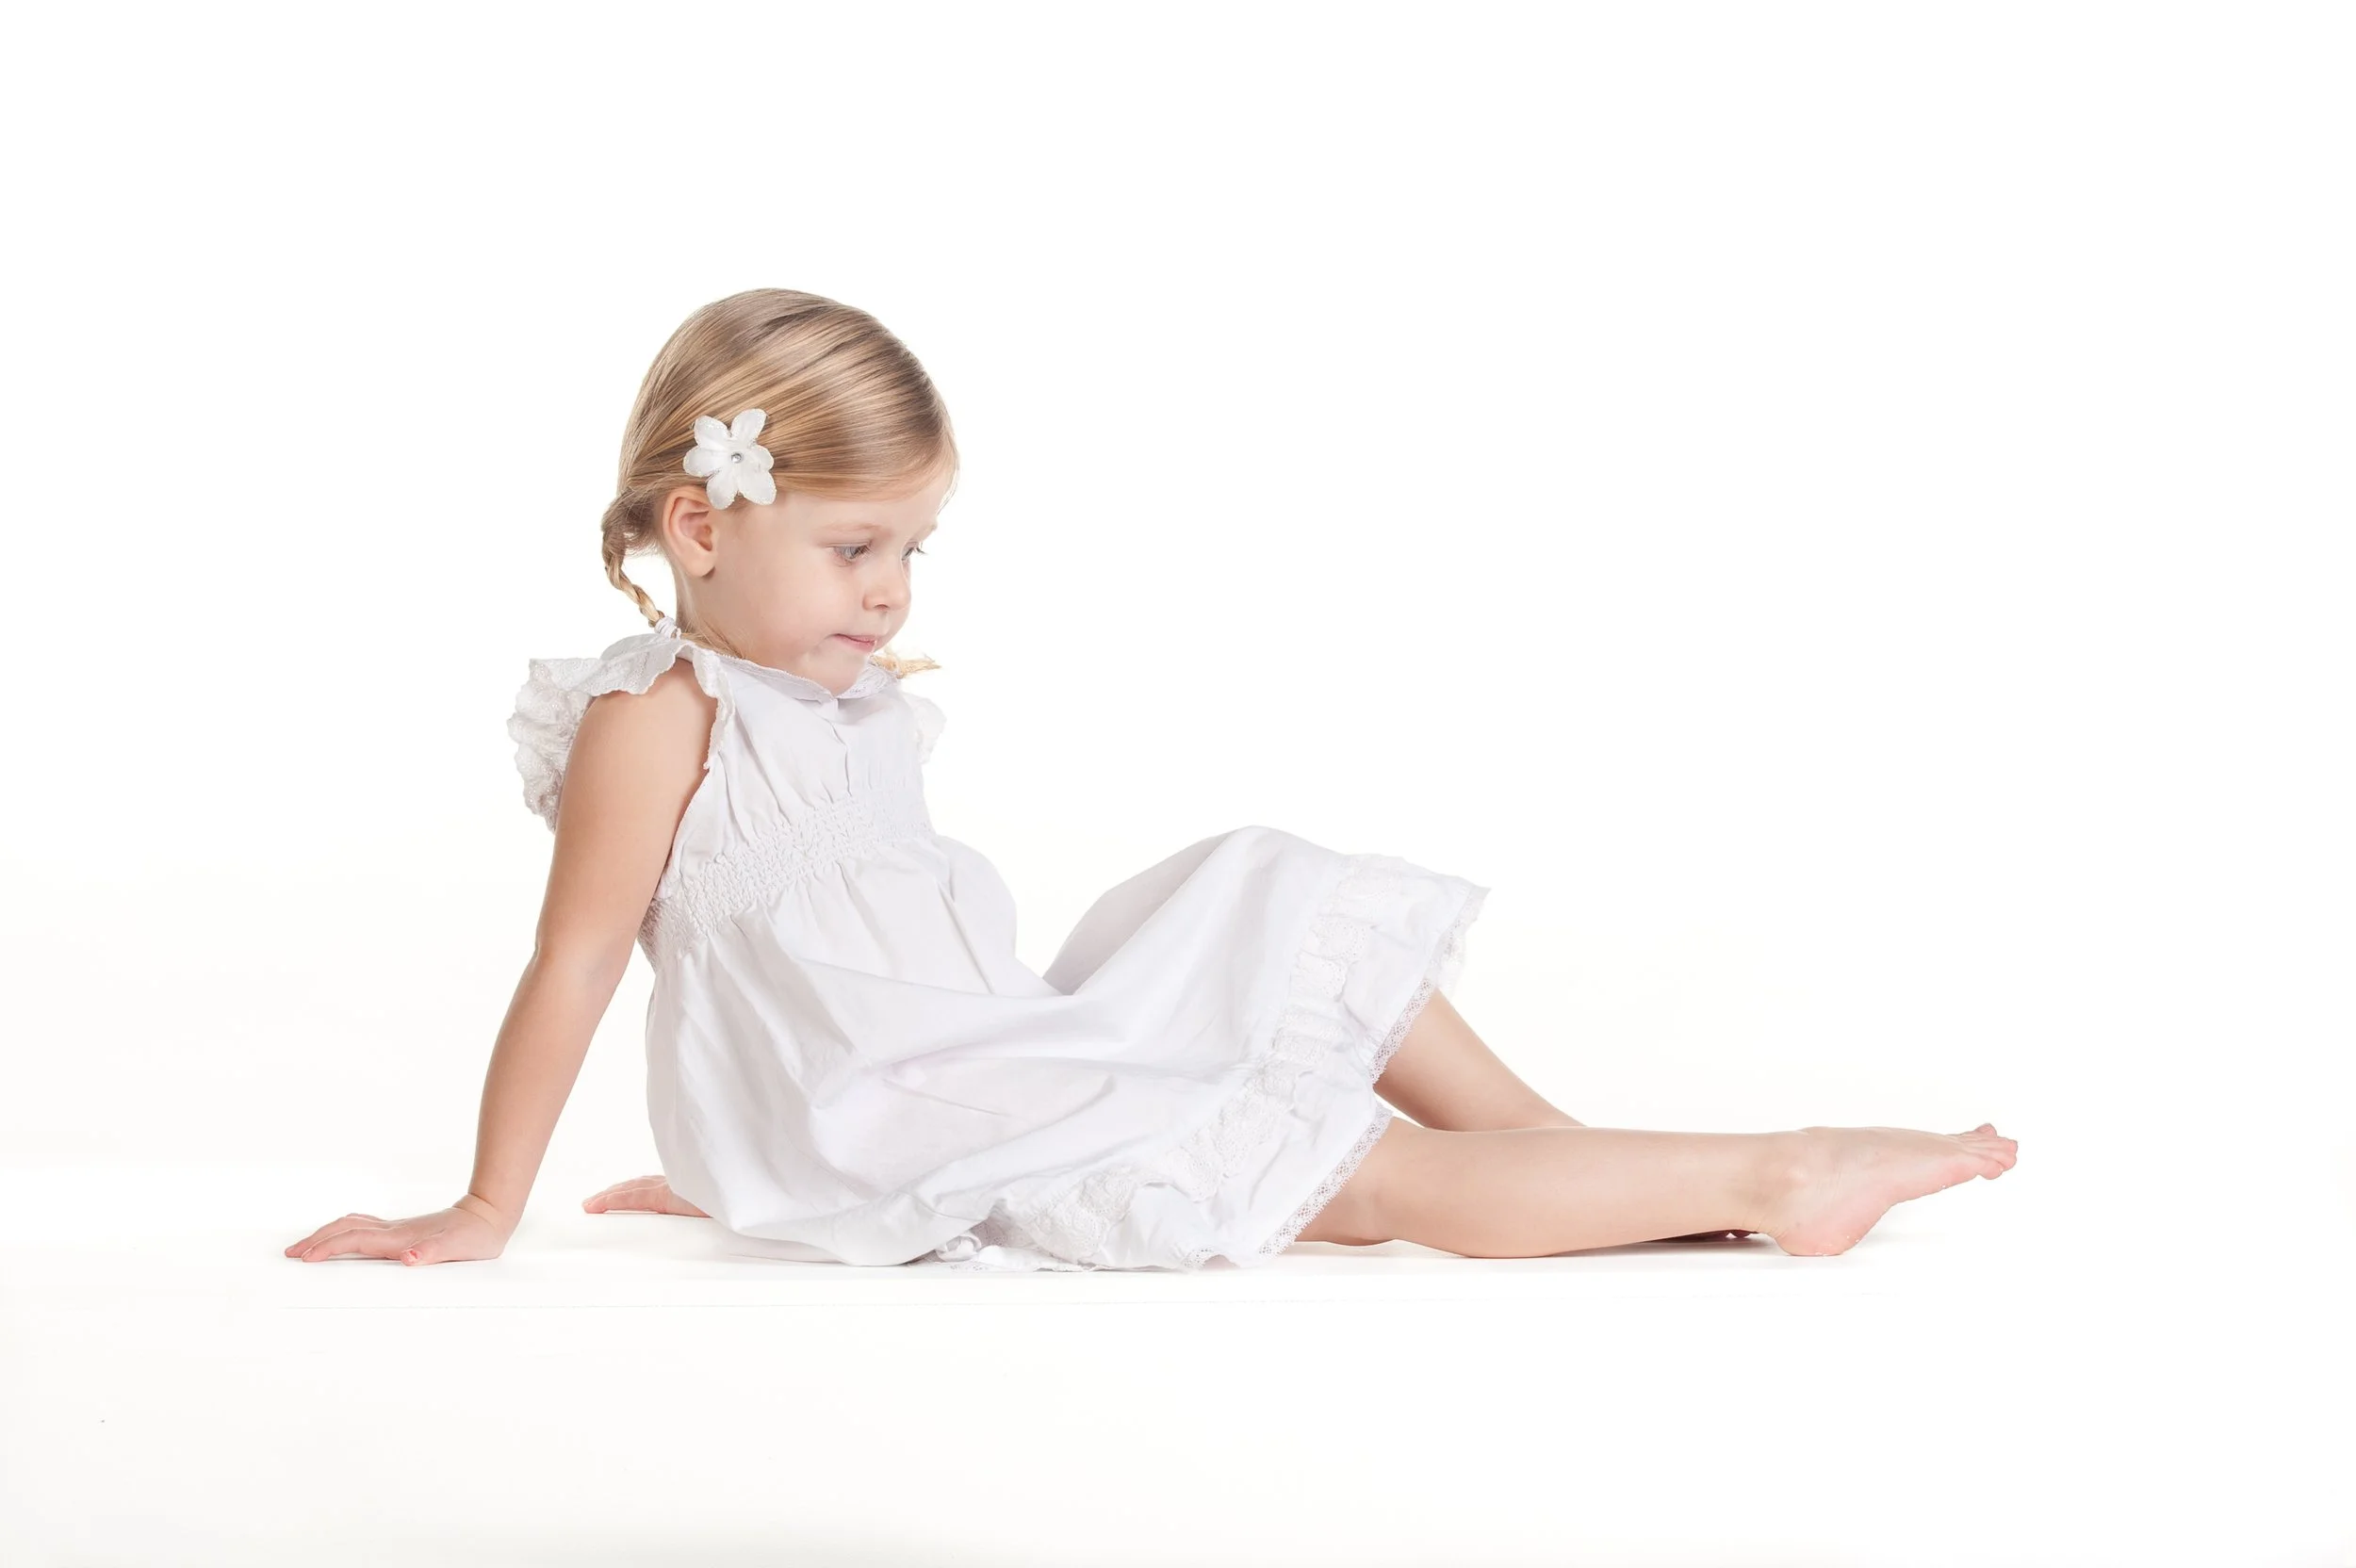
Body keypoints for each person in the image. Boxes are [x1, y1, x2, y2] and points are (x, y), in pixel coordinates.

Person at [285, 288, 2018, 1273]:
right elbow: (586, 963)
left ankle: (1586, 1168)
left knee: (1264, 884)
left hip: (975, 1052)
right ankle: (1763, 1173)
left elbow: (800, 969)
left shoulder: (839, 695)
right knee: (1334, 1175)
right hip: (927, 1102)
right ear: (699, 523)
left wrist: (754, 1158)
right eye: (854, 546)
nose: (891, 592)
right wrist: (494, 1202)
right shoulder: (656, 712)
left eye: (915, 547)